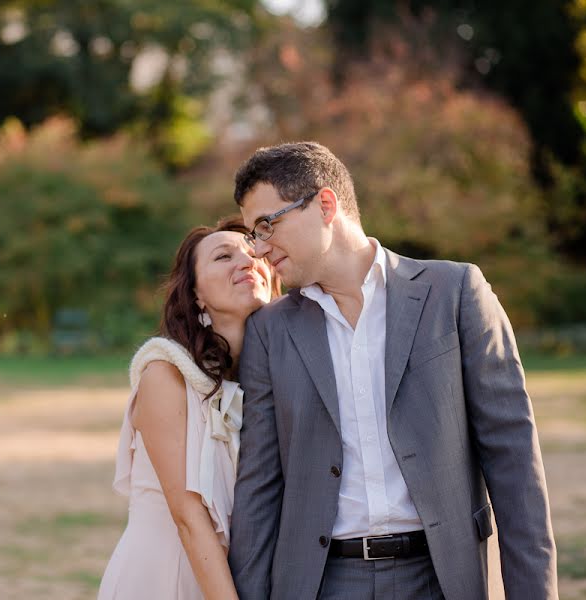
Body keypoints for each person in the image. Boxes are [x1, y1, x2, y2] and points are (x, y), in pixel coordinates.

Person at [227, 142, 557, 600]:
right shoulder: (268, 331)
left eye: (267, 225)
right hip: (321, 583)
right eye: (252, 234)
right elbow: (258, 491)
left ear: (325, 204)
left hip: (442, 577)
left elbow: (515, 463)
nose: (259, 249)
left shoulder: (455, 293)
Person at [98, 217, 280, 599]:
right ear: (196, 293)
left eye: (253, 252)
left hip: (240, 578)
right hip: (164, 575)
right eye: (223, 256)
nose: (247, 261)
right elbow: (189, 517)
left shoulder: (273, 381)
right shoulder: (165, 374)